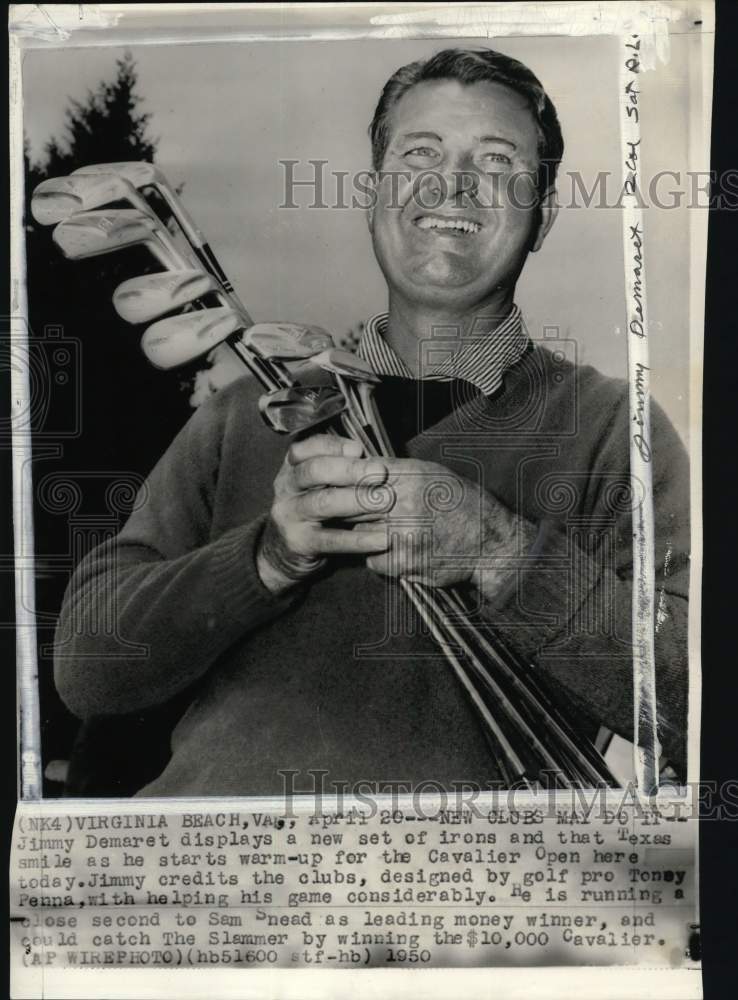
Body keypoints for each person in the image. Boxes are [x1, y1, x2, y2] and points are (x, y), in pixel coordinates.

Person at [53, 48, 689, 797]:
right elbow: (87, 669)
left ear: (543, 215)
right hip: (214, 874)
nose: (451, 184)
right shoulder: (242, 413)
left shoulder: (617, 427)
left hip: (459, 892)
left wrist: (497, 549)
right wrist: (267, 558)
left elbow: (682, 699)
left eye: (496, 160)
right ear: (372, 194)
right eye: (419, 153)